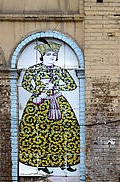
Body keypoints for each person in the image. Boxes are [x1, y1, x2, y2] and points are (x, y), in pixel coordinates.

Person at [18, 40, 81, 174]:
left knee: (66, 130)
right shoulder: (33, 69)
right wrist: (37, 92)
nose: (51, 57)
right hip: (40, 103)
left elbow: (72, 85)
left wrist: (58, 87)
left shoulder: (60, 70)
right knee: (39, 132)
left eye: (53, 54)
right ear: (42, 56)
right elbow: (25, 84)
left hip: (58, 102)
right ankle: (41, 163)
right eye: (48, 54)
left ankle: (65, 162)